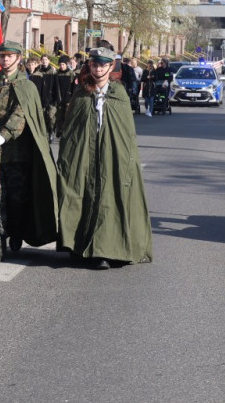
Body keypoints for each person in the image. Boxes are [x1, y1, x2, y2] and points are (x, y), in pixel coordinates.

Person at [56, 47, 153, 269]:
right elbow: (71, 128)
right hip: (83, 154)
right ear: (89, 66)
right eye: (94, 64)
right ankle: (78, 246)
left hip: (112, 154)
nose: (98, 69)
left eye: (103, 65)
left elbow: (125, 133)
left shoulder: (119, 94)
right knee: (82, 194)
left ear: (111, 67)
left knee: (108, 198)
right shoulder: (81, 93)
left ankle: (105, 250)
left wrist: (125, 159)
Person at [0, 41, 60, 264]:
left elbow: (22, 115)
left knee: (17, 199)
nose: (5, 60)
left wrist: (4, 134)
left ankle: (17, 232)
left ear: (18, 59)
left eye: (9, 56)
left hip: (17, 153)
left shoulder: (27, 85)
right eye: (1, 56)